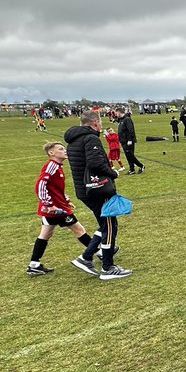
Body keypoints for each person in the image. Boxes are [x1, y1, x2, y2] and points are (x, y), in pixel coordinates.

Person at [64, 110, 132, 280]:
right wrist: (112, 173)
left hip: (84, 190)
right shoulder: (90, 138)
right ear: (95, 123)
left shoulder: (73, 140)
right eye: (100, 123)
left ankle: (86, 257)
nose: (101, 126)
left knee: (105, 224)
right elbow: (95, 163)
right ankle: (108, 268)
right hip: (97, 190)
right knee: (109, 225)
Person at [27, 142, 94, 276]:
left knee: (46, 234)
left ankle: (34, 264)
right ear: (51, 153)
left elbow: (56, 188)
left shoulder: (57, 166)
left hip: (56, 206)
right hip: (56, 209)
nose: (65, 151)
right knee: (79, 230)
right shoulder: (51, 166)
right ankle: (100, 252)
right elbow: (40, 185)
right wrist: (49, 204)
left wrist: (66, 200)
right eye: (61, 149)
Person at [115, 109, 144, 174]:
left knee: (130, 155)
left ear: (119, 112)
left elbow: (131, 130)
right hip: (123, 141)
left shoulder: (127, 119)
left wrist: (130, 139)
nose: (116, 114)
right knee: (128, 156)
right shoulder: (121, 120)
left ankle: (141, 166)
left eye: (116, 113)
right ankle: (132, 169)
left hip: (128, 141)